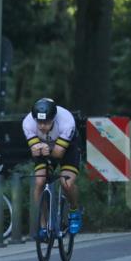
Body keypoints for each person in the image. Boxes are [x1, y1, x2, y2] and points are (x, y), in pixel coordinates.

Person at [23, 97, 82, 239]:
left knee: (66, 183)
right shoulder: (28, 123)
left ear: (54, 119)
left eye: (47, 122)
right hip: (44, 148)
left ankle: (74, 210)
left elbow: (58, 153)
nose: (42, 126)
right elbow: (35, 151)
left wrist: (44, 149)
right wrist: (37, 149)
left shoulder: (66, 121)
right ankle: (43, 226)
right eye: (39, 122)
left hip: (67, 148)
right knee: (39, 183)